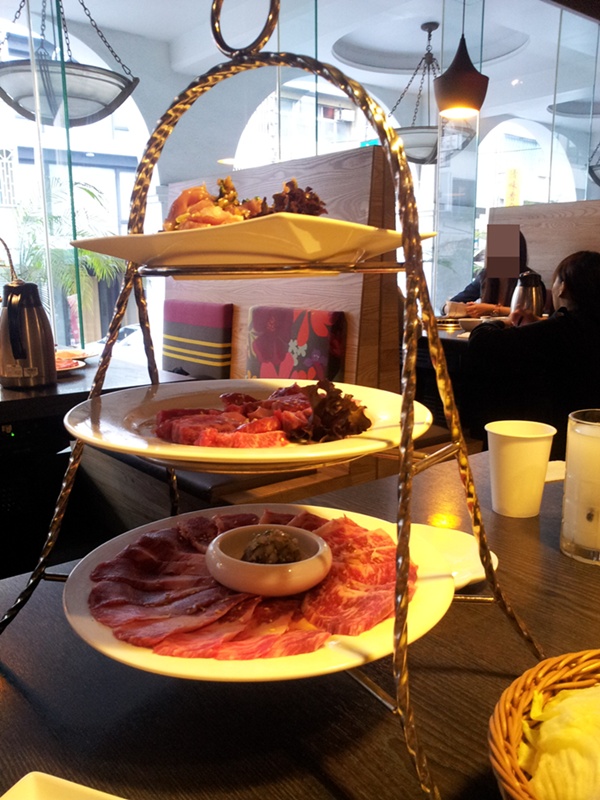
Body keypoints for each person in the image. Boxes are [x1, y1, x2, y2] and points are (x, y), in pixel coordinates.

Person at [465, 250, 600, 459]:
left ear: (562, 288)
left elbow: (481, 342)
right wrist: (540, 324)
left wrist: (500, 322)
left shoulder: (562, 330)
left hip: (555, 443)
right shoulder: (579, 327)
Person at [444, 232, 546, 318]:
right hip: (489, 331)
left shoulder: (530, 280)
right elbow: (450, 304)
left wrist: (492, 309)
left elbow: (532, 314)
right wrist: (454, 309)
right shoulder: (485, 276)